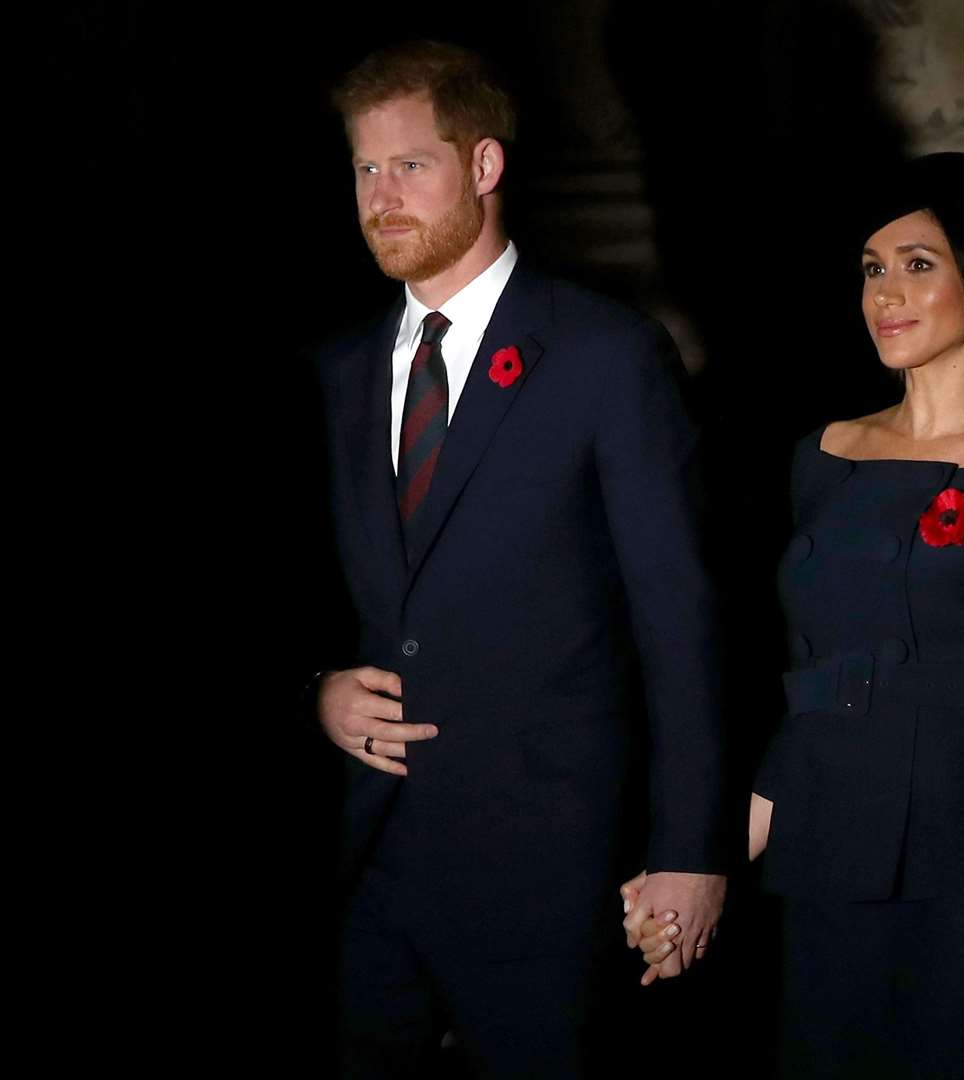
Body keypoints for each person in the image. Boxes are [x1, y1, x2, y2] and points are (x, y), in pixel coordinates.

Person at [626, 153, 964, 1077]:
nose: (886, 292)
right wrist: (703, 866)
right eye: (873, 269)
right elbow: (811, 696)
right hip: (823, 866)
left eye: (918, 264)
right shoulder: (823, 455)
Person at [310, 40, 729, 1077]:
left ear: (484, 167)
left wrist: (689, 850)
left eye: (410, 165)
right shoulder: (337, 371)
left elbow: (678, 622)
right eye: (365, 169)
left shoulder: (605, 355)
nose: (381, 197)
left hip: (551, 869)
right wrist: (316, 690)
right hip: (368, 862)